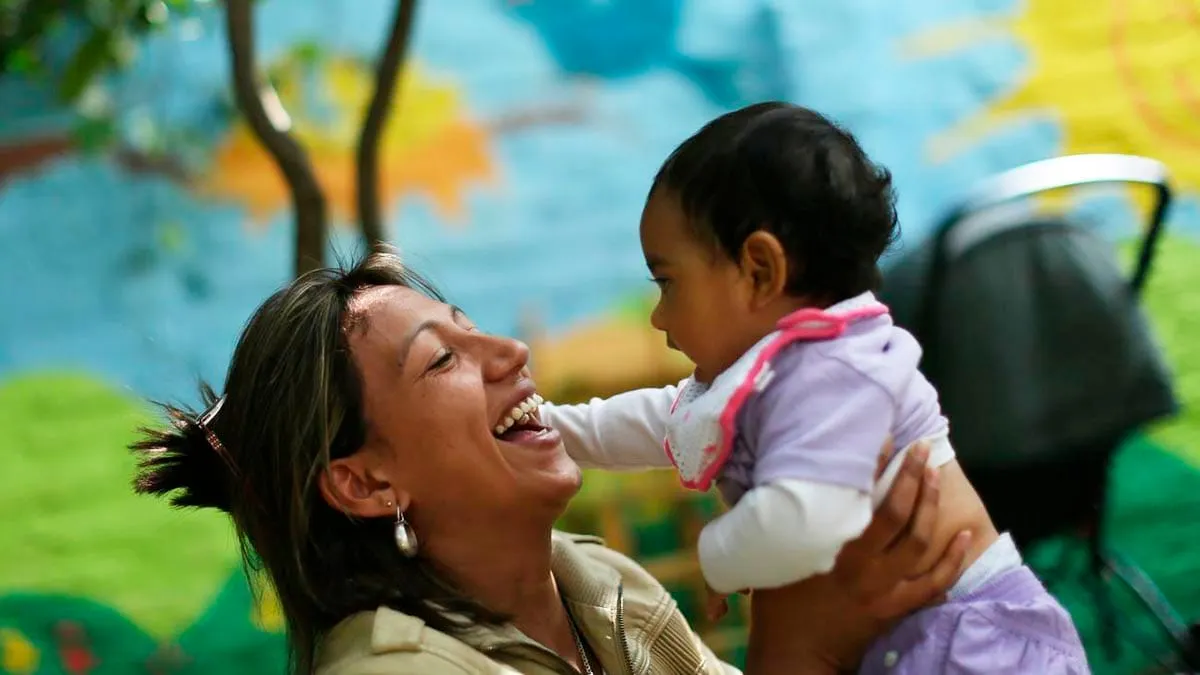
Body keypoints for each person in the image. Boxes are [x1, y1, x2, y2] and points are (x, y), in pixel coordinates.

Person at [131, 250, 971, 675]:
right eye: (442, 359)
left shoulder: (603, 586)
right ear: (365, 481)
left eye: (473, 327)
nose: (511, 353)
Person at [542, 102, 1089, 674]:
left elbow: (805, 522)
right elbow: (663, 421)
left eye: (667, 282)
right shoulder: (782, 372)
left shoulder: (838, 368)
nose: (658, 317)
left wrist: (719, 557)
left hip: (974, 645)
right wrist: (549, 428)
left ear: (760, 270)